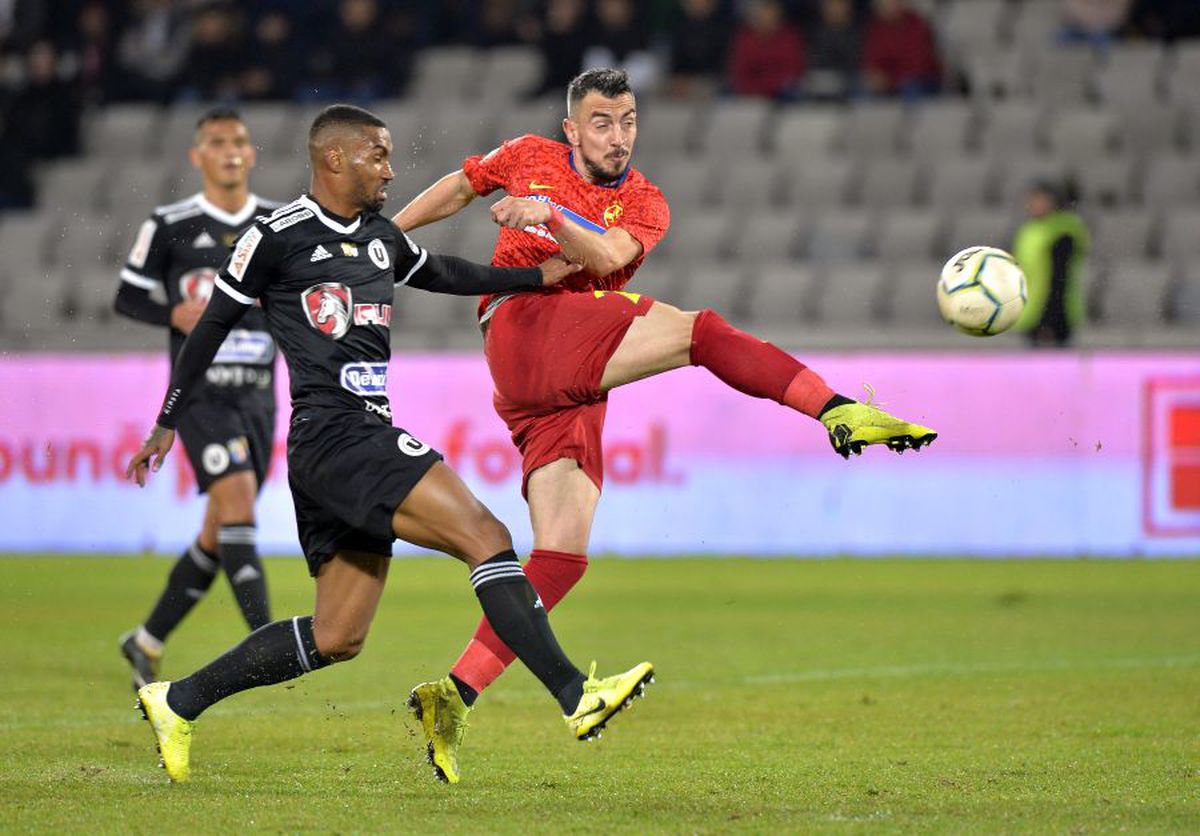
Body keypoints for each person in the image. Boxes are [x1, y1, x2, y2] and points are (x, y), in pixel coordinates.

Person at [393, 67, 937, 784]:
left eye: (626, 121)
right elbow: (464, 184)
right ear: (570, 129)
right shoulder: (528, 155)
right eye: (600, 123)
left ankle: (453, 695)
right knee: (700, 332)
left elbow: (610, 257)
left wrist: (548, 216)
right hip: (524, 326)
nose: (616, 137)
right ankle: (836, 410)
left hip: (563, 376)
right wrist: (381, 237)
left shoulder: (645, 203)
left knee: (560, 556)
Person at [124, 104, 654, 785]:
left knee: (337, 635)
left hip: (341, 445)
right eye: (378, 155)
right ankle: (575, 696)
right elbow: (211, 328)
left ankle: (177, 700)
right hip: (339, 433)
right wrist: (167, 421)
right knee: (486, 536)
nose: (391, 169)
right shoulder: (277, 236)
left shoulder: (378, 236)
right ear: (335, 159)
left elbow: (441, 272)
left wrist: (534, 278)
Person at [114, 107, 280, 692]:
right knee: (237, 506)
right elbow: (127, 298)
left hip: (260, 397)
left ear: (252, 153)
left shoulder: (275, 223)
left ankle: (147, 640)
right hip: (201, 395)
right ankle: (267, 643)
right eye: (217, 142)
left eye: (239, 141)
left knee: (219, 530)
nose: (231, 151)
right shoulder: (171, 224)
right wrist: (172, 312)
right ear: (198, 156)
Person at [1013, 178, 1090, 348]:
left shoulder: (1063, 231)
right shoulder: (1028, 230)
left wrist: (1050, 320)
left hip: (1055, 315)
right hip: (1030, 313)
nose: (1032, 204)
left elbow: (1060, 278)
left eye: (1038, 199)